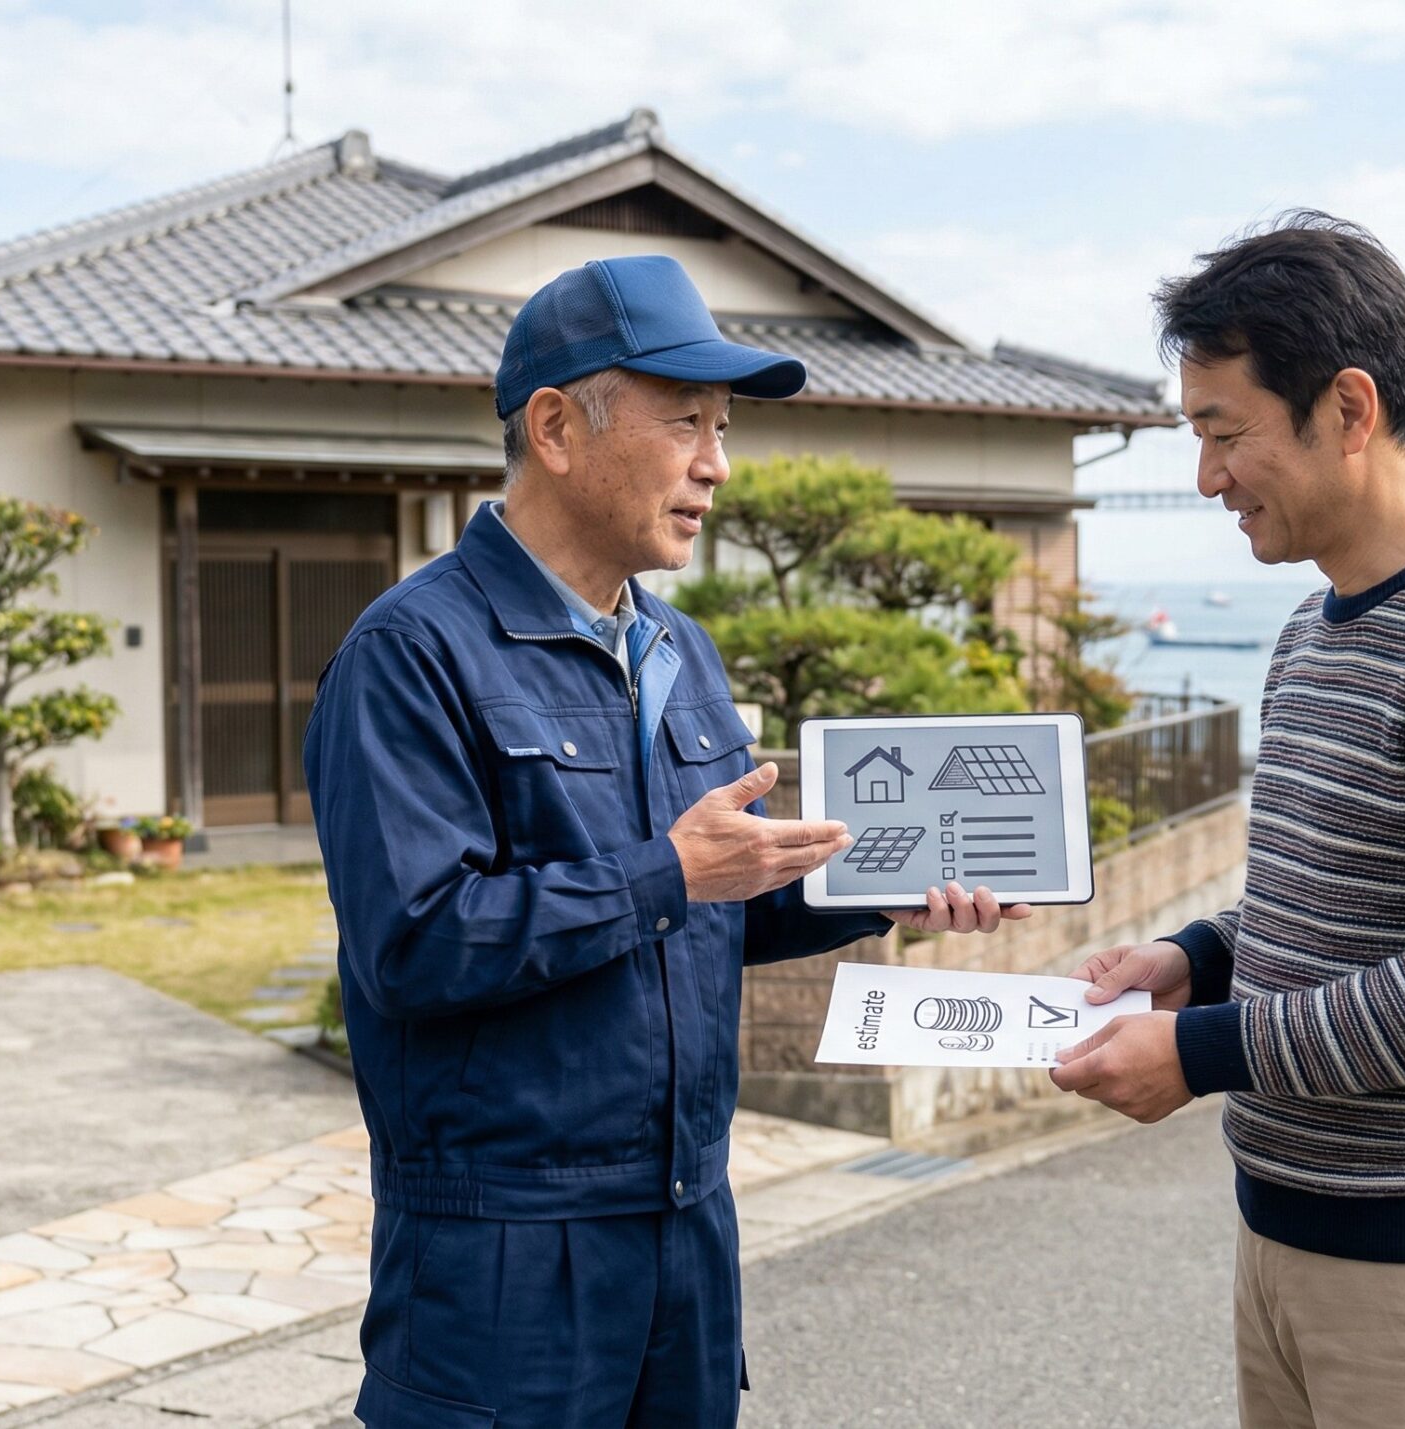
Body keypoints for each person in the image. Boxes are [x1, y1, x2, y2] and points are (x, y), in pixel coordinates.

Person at [303, 254, 1028, 1429]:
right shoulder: (413, 654)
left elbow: (703, 910)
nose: (717, 463)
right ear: (554, 428)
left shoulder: (678, 649)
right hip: (503, 1255)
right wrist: (667, 870)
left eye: (724, 426)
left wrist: (881, 889)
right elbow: (414, 945)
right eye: (685, 420)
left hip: (687, 1227)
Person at [1049, 213, 1405, 1428]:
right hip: (1290, 1233)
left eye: (1223, 433)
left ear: (1347, 410)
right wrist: (1194, 958)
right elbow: (1330, 892)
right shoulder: (1315, 630)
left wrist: (1202, 1055)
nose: (1206, 477)